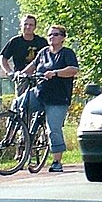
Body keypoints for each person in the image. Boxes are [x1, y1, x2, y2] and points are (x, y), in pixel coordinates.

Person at [25, 25, 79, 172]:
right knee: (18, 104)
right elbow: (32, 66)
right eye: (49, 35)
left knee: (53, 129)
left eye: (55, 34)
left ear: (62, 38)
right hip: (40, 93)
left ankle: (56, 161)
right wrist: (20, 74)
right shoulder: (43, 53)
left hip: (58, 98)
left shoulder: (67, 53)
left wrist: (55, 73)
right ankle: (16, 135)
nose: (51, 37)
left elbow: (73, 70)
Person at [0, 15, 47, 100]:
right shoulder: (15, 41)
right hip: (21, 77)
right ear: (21, 26)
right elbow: (3, 58)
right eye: (25, 24)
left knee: (40, 102)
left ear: (35, 27)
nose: (28, 27)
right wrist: (9, 72)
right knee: (21, 103)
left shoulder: (41, 42)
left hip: (38, 77)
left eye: (31, 25)